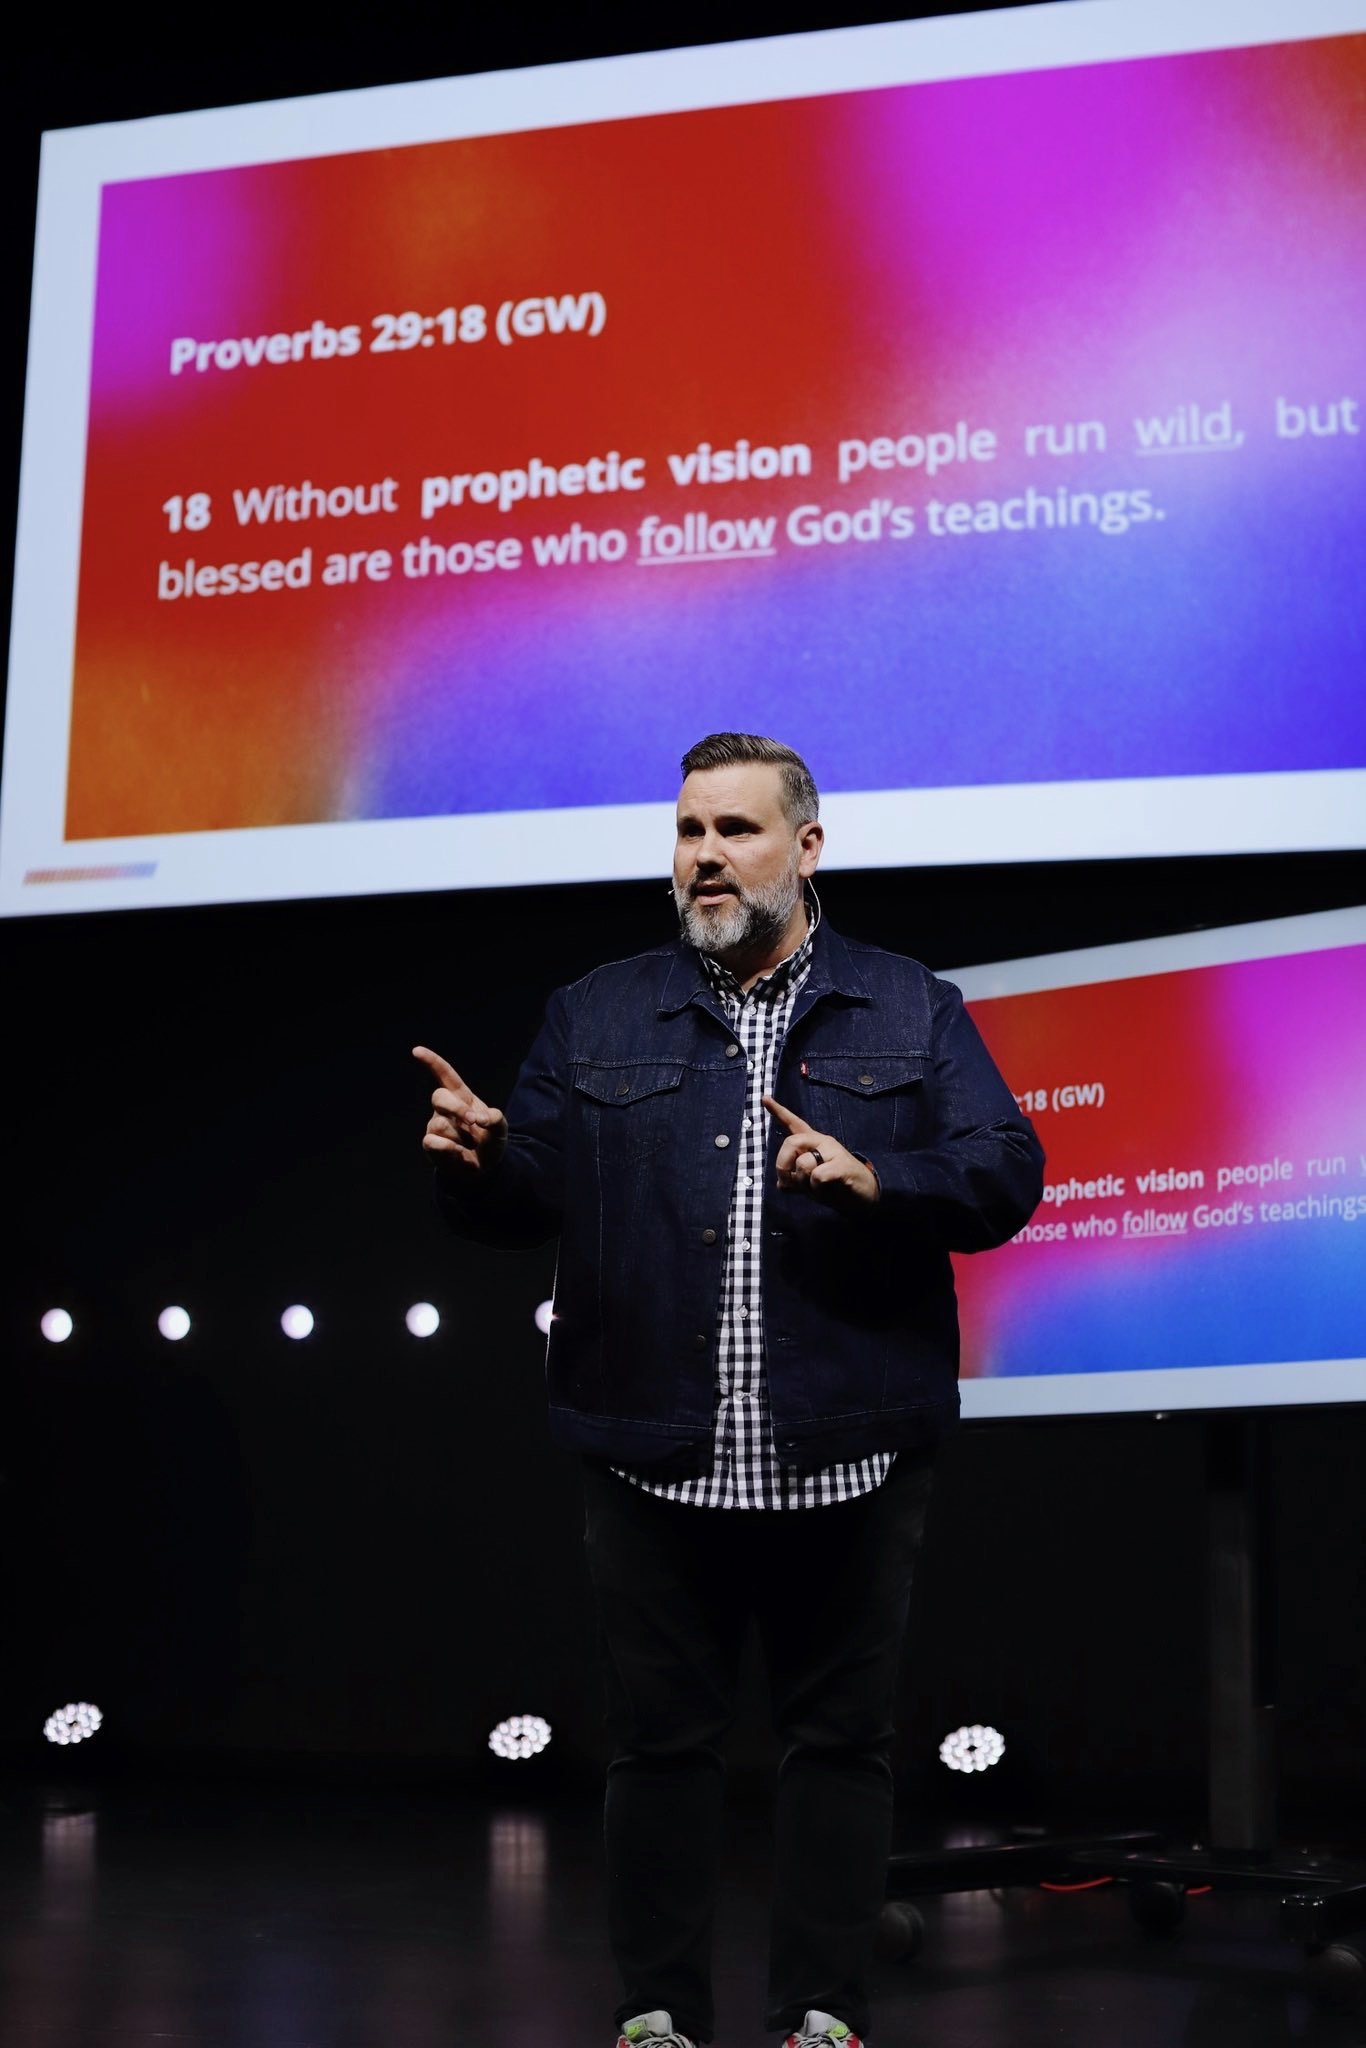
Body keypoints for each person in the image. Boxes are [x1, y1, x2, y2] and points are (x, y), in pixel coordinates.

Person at [414, 733, 1044, 2048]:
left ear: (805, 849)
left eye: (735, 830)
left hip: (848, 1449)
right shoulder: (594, 1008)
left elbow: (1002, 1175)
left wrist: (879, 1180)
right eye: (689, 829)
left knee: (838, 1751)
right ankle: (658, 2015)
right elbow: (526, 1196)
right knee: (657, 1754)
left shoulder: (907, 1002)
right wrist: (476, 1161)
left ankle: (821, 2011)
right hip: (650, 1454)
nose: (703, 855)